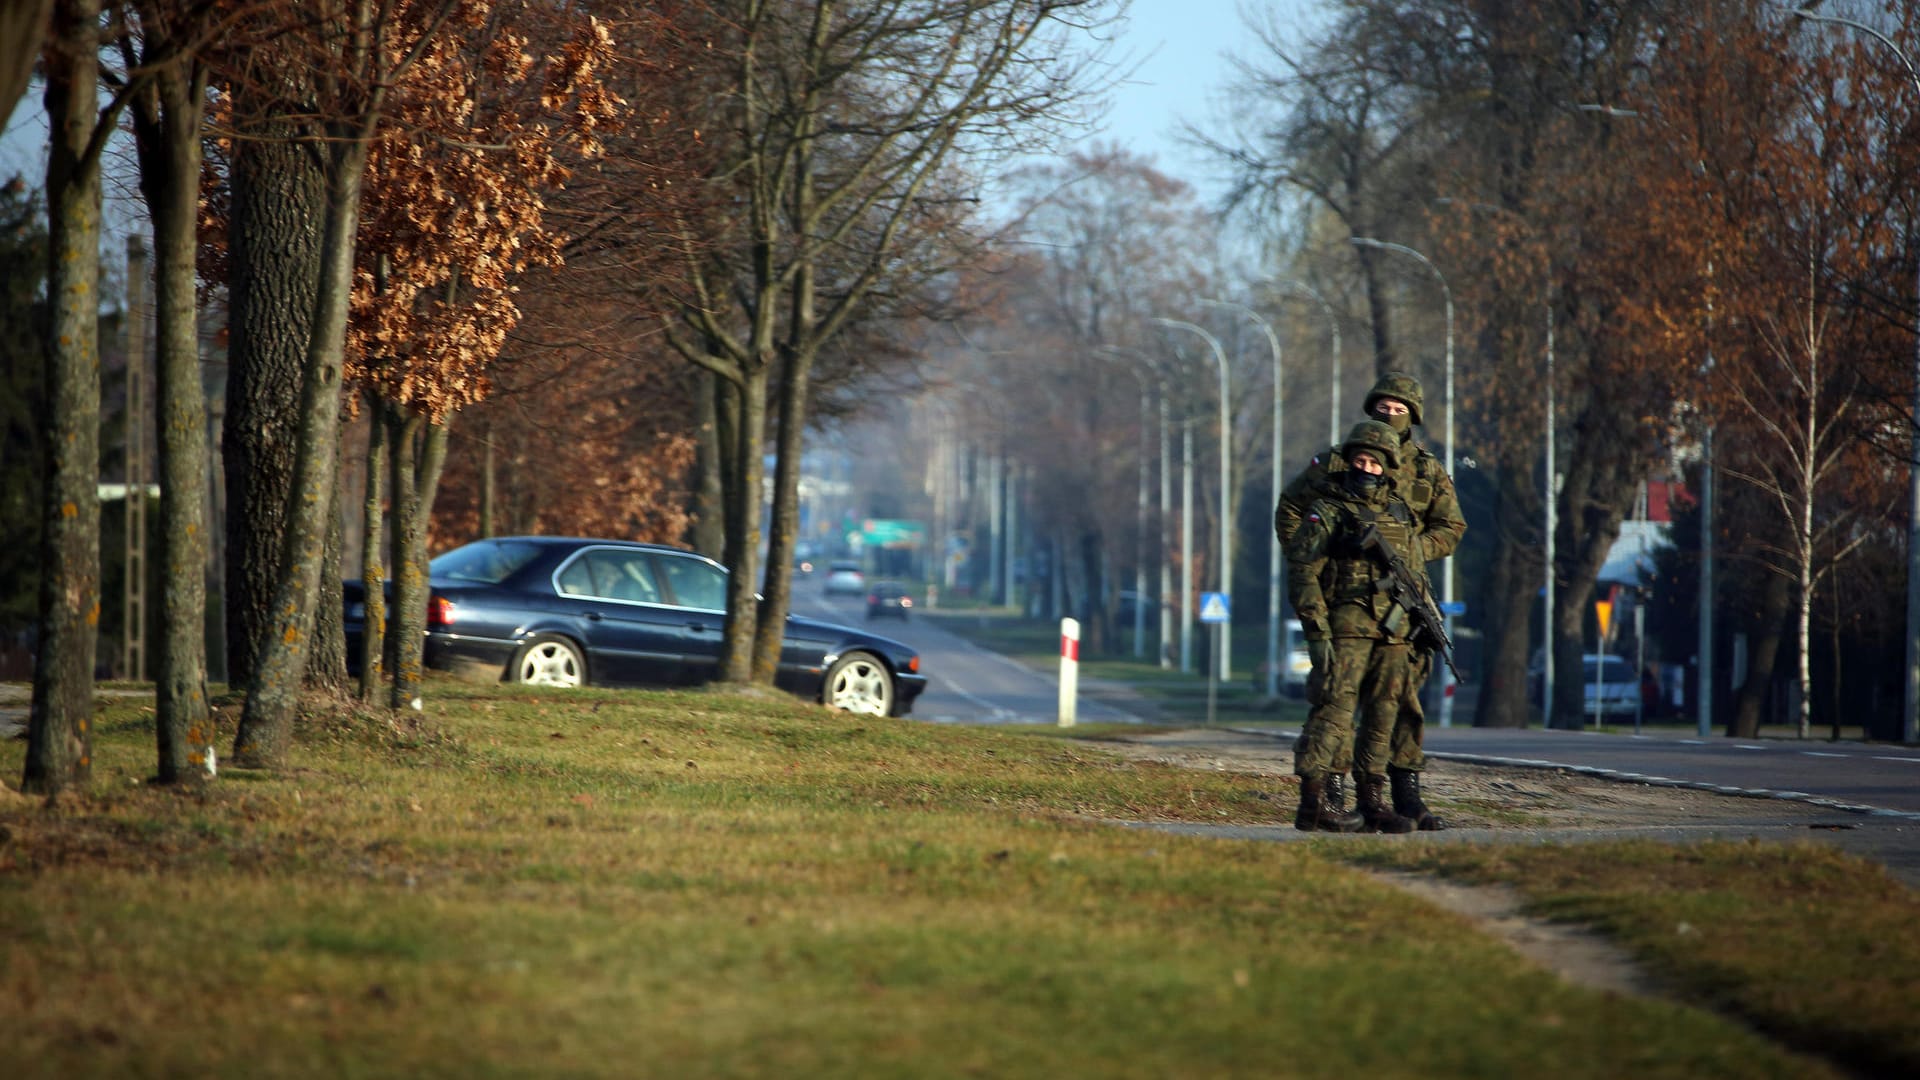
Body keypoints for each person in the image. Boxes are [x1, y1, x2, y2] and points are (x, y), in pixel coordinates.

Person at [1276, 372, 1465, 830]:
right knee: (1338, 702)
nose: (1390, 413)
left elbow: (1451, 527)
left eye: (1400, 409)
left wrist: (1412, 549)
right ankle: (1333, 794)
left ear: (1414, 416)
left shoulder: (1427, 468)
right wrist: (1314, 556)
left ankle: (1401, 795)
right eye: (1383, 406)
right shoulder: (1337, 462)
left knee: (1399, 702)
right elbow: (1292, 509)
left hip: (1403, 599)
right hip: (1349, 602)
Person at [1285, 419, 1423, 832]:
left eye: (1375, 463)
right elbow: (1303, 569)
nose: (1367, 468)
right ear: (1348, 462)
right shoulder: (1327, 510)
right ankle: (1313, 800)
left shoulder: (1400, 513)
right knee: (1334, 711)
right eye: (1360, 460)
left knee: (1384, 716)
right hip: (1346, 627)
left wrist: (1422, 625)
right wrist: (1316, 629)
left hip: (1394, 632)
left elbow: (1416, 575)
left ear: (1388, 467)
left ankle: (1373, 801)